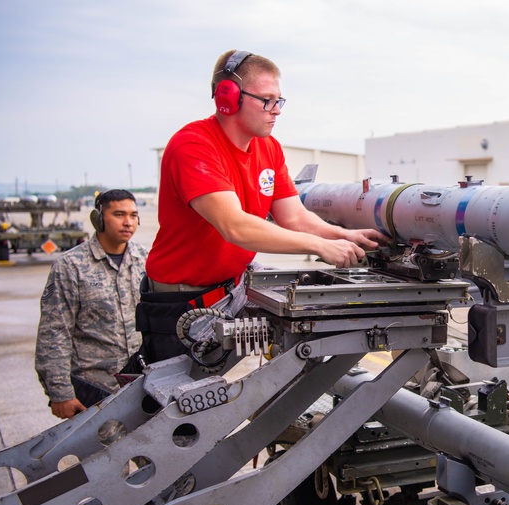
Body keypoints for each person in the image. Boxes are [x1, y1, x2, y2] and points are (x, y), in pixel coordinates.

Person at [139, 50, 386, 363]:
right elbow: (235, 226)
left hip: (234, 286)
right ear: (227, 97)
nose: (276, 111)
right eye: (267, 100)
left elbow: (295, 217)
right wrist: (320, 247)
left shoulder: (268, 148)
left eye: (279, 101)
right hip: (184, 305)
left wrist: (346, 237)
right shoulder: (194, 145)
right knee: (178, 406)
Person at [35, 190, 147, 419]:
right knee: (104, 455)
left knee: (153, 452)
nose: (128, 222)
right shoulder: (70, 266)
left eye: (133, 215)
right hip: (94, 393)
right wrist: (60, 393)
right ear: (98, 219)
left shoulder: (145, 260)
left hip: (141, 386)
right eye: (119, 214)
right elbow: (54, 332)